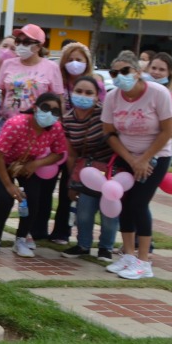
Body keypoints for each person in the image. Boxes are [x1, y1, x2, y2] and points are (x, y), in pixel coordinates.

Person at [102, 51, 172, 280]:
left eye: (125, 71)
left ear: (137, 72)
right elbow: (109, 133)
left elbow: (168, 130)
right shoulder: (113, 97)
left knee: (138, 203)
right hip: (127, 156)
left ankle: (144, 261)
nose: (119, 77)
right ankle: (128, 254)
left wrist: (145, 159)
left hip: (156, 156)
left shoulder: (158, 93)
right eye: (114, 73)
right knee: (124, 202)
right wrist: (131, 158)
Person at [0, 92, 68, 258]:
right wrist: (8, 184)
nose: (50, 113)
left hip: (26, 163)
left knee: (33, 197)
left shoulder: (56, 128)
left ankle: (21, 238)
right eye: (46, 107)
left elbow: (59, 153)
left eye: (55, 111)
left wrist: (36, 164)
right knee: (5, 197)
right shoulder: (17, 123)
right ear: (35, 108)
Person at [60, 74, 118, 261]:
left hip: (111, 171)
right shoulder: (67, 120)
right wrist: (72, 182)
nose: (83, 95)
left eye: (88, 93)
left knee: (109, 212)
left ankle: (106, 247)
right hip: (86, 173)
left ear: (97, 95)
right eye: (79, 91)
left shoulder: (105, 116)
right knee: (84, 211)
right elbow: (71, 154)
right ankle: (83, 245)